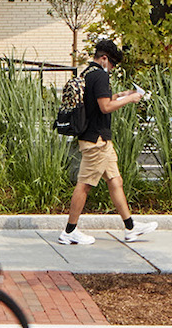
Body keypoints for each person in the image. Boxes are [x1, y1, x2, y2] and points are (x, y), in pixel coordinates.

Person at [58, 38, 155, 245]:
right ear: (104, 59)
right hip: (97, 141)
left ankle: (130, 227)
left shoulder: (87, 74)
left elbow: (103, 99)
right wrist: (130, 100)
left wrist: (123, 94)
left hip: (98, 139)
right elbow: (105, 107)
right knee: (84, 185)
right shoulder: (101, 76)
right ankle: (69, 231)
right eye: (112, 64)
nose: (111, 68)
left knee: (115, 180)